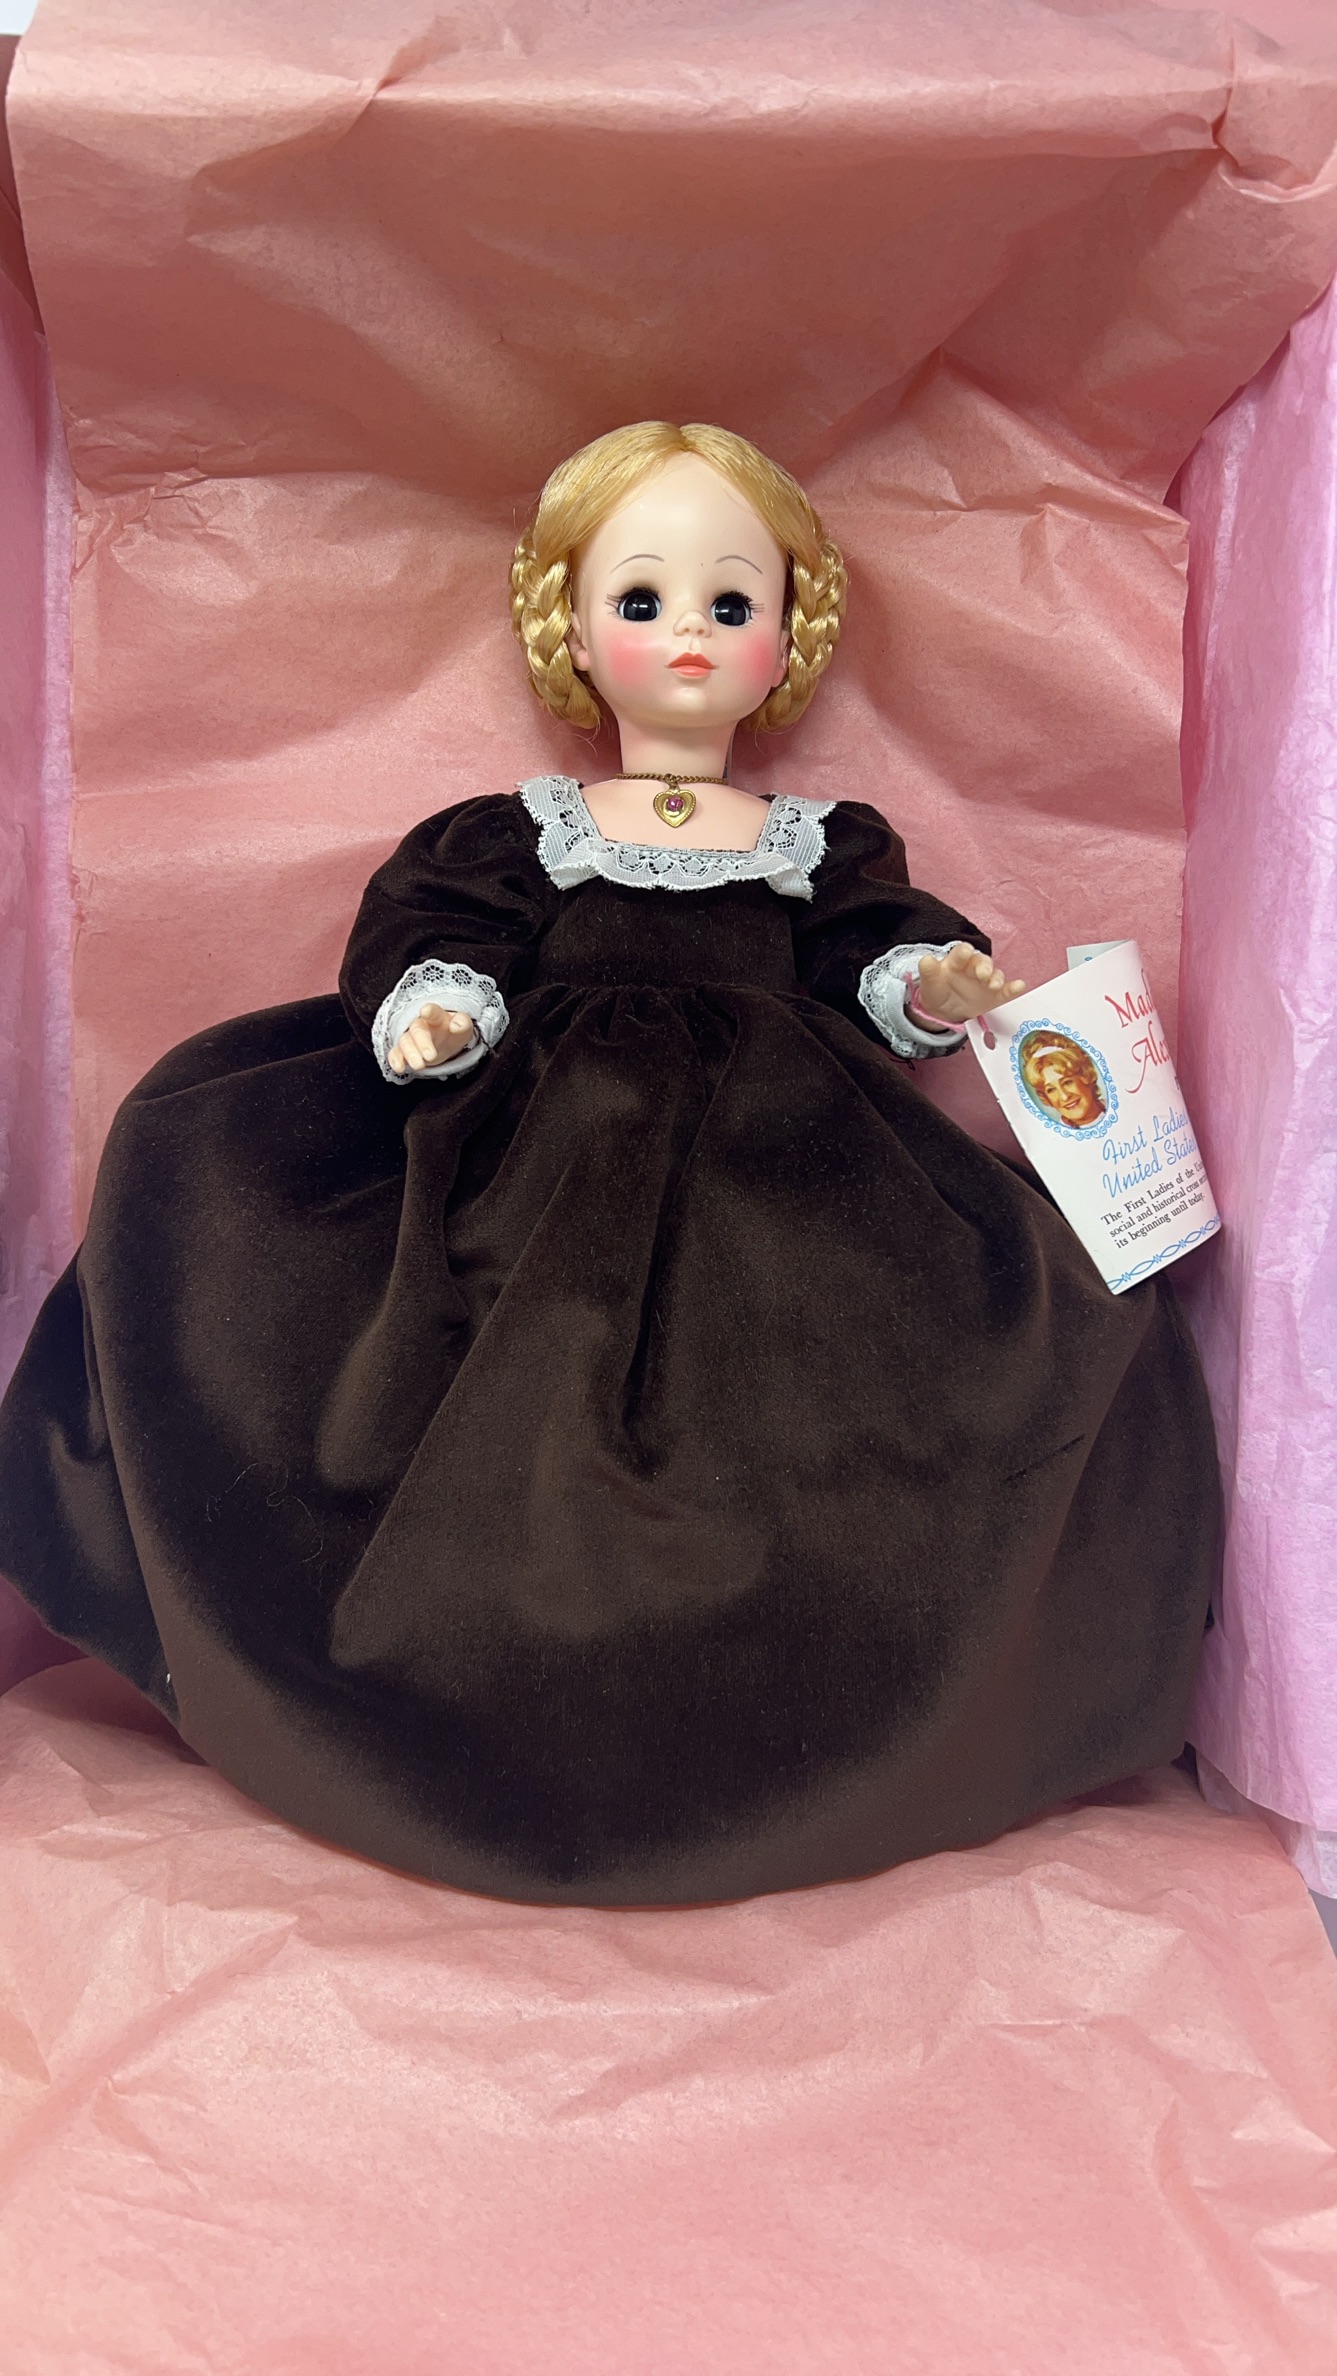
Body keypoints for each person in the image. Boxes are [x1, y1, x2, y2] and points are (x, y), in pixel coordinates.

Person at [0, 422, 1218, 1906]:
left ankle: (804, 1716)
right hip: (532, 1160)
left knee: (922, 1370)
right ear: (569, 630)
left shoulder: (817, 843)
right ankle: (471, 1693)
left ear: (788, 632)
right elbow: (429, 933)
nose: (689, 633)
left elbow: (868, 950)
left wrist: (930, 978)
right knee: (392, 1319)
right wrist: (440, 1009)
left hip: (792, 1170)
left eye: (731, 600)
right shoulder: (515, 833)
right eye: (641, 599)